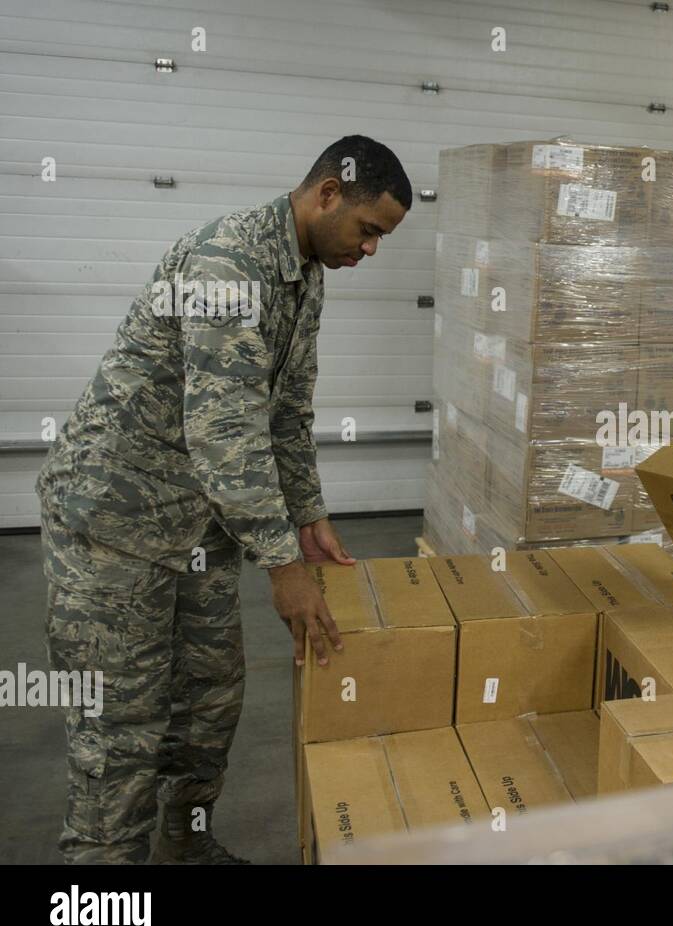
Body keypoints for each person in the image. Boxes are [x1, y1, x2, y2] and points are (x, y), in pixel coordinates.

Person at [36, 135, 411, 863]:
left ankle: (187, 847)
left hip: (198, 524)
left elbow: (287, 410)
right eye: (369, 230)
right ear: (329, 193)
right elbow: (225, 428)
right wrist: (283, 566)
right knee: (120, 734)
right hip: (112, 522)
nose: (371, 251)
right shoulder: (226, 264)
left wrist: (309, 516)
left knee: (207, 705)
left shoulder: (304, 273)